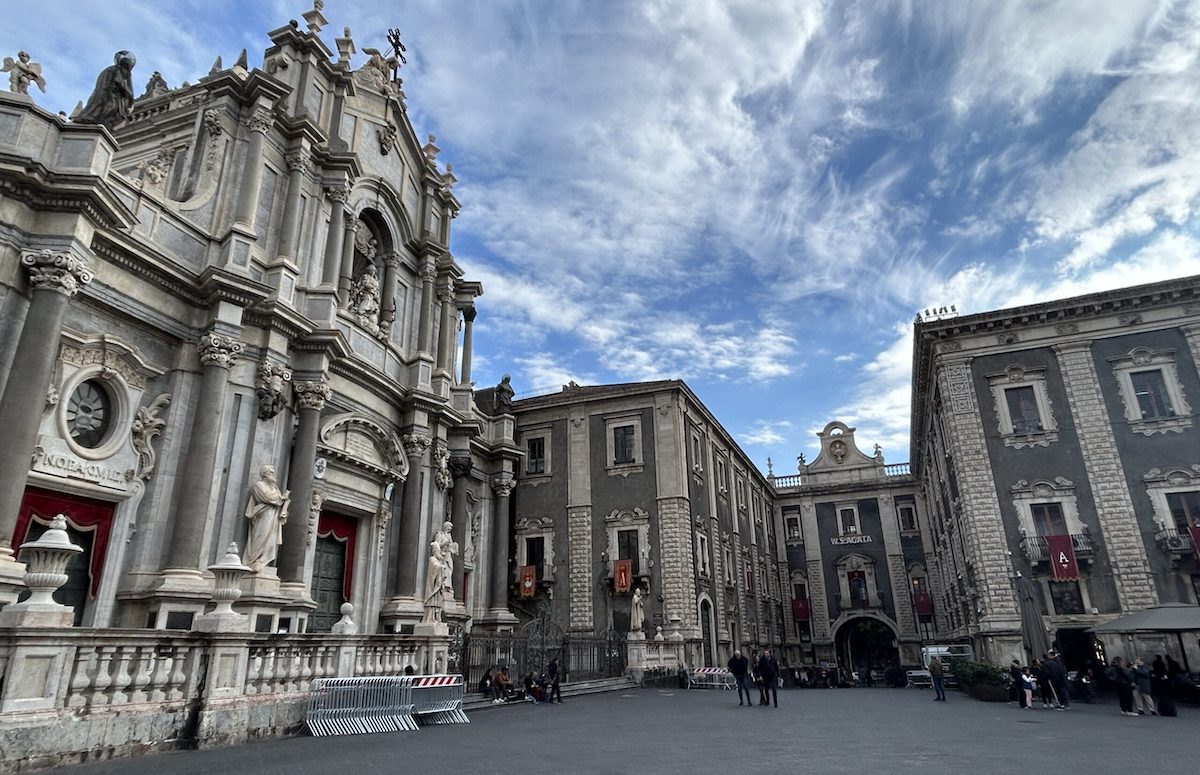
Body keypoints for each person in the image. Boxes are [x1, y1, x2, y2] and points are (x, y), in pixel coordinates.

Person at [241, 465, 290, 573]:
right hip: (262, 515)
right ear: (264, 474)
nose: (274, 474)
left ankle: (262, 560)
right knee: (260, 536)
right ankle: (253, 560)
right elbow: (267, 497)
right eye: (271, 473)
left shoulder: (275, 488)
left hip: (273, 516)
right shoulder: (259, 485)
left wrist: (284, 506)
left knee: (271, 540)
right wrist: (282, 498)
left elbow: (277, 501)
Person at [76, 51, 136, 129]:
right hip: (108, 94)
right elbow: (118, 82)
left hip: (111, 95)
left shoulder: (121, 71)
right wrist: (129, 94)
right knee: (110, 106)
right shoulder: (114, 70)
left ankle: (101, 121)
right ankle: (90, 117)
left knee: (113, 110)